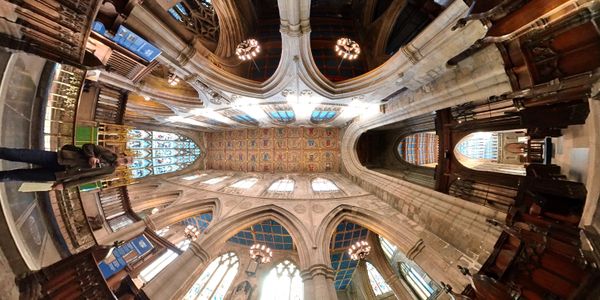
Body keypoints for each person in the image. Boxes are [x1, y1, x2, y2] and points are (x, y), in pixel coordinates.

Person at [0, 144, 132, 190]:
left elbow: (86, 180)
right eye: (124, 159)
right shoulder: (108, 153)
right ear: (121, 155)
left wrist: (64, 186)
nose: (122, 162)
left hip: (61, 175)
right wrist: (91, 156)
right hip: (60, 158)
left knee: (19, 176)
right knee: (19, 154)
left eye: (125, 163)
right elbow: (88, 146)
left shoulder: (109, 171)